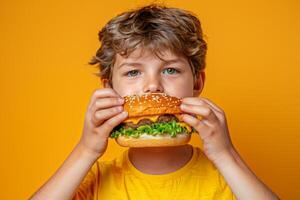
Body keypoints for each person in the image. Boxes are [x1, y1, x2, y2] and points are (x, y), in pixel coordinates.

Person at [30, 4, 279, 200]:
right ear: (109, 90)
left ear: (197, 83)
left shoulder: (228, 177)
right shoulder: (92, 180)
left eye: (170, 70)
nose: (153, 85)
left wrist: (226, 155)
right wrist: (86, 150)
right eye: (132, 72)